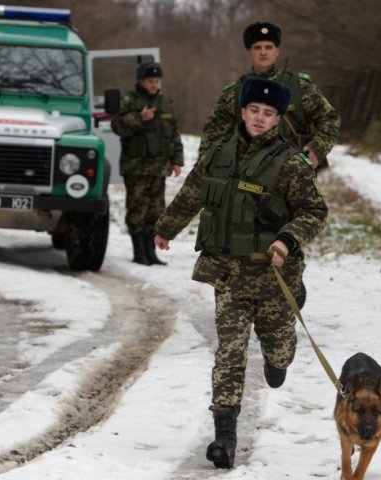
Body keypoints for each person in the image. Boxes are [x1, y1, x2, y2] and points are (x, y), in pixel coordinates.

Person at [154, 77, 328, 469]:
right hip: (228, 273)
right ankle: (224, 437)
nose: (260, 119)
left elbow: (315, 211)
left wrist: (286, 240)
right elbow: (193, 193)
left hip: (273, 276)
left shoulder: (290, 163)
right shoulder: (218, 152)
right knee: (229, 352)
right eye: (254, 111)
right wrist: (166, 228)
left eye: (269, 114)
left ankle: (278, 360)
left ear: (279, 119)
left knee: (278, 346)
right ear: (243, 111)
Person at [198, 21, 341, 170]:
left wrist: (316, 149)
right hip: (246, 176)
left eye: (269, 47)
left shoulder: (300, 86)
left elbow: (330, 119)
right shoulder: (234, 92)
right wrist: (205, 170)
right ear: (249, 51)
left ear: (277, 51)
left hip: (293, 175)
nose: (263, 52)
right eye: (257, 47)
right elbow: (212, 135)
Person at [111, 61, 183, 265]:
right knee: (137, 210)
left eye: (157, 81)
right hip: (136, 167)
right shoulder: (129, 101)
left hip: (159, 168)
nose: (154, 85)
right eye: (150, 81)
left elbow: (174, 134)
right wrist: (139, 118)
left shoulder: (165, 103)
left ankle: (151, 253)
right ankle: (138, 252)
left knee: (155, 211)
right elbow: (117, 126)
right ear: (140, 81)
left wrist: (177, 160)